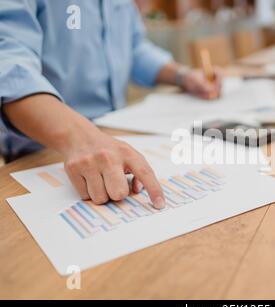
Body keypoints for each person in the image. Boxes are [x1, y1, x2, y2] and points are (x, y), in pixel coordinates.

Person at [0, 0, 222, 209]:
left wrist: (182, 76)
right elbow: (9, 69)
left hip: (113, 136)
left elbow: (135, 49)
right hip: (40, 154)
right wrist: (81, 139)